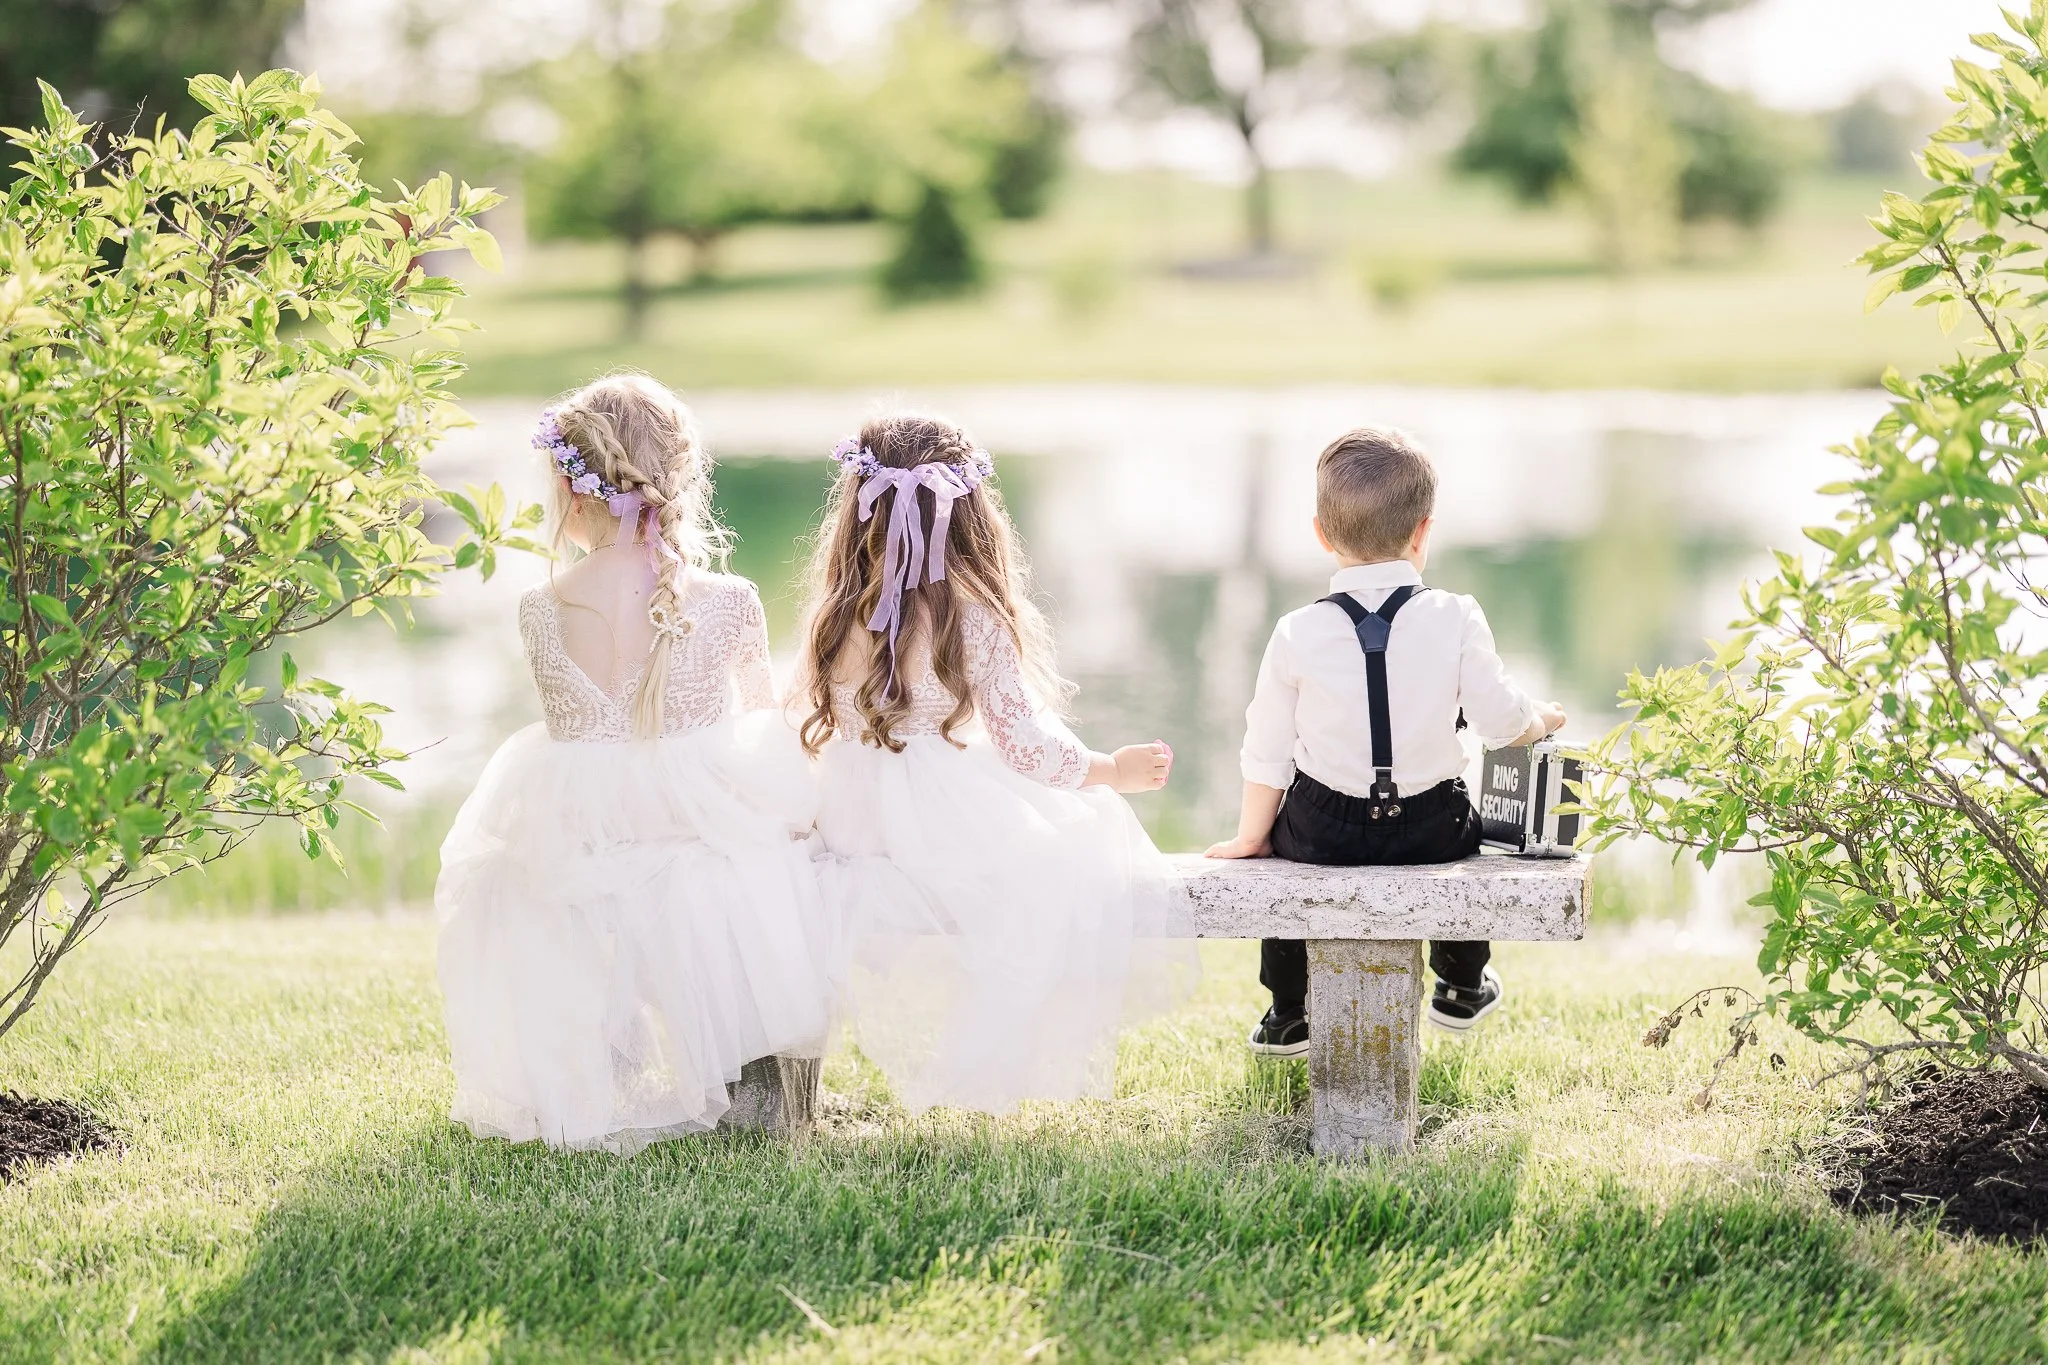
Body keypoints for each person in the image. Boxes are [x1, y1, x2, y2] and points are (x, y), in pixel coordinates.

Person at [435, 374, 833, 1153]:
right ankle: (757, 1078)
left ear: (567, 486)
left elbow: (590, 747)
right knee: (768, 848)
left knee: (565, 877)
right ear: (677, 479)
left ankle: (603, 1062)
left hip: (583, 828)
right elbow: (765, 724)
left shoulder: (540, 608)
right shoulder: (731, 599)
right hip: (693, 821)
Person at [800, 414, 1199, 1114]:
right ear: (969, 516)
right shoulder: (969, 610)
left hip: (847, 813)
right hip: (933, 819)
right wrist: (1110, 768)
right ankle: (983, 1071)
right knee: (1079, 833)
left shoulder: (835, 608)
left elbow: (801, 711)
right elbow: (1023, 742)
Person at [1206, 426, 1566, 1054]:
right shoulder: (1455, 615)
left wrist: (1252, 837)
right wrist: (1541, 721)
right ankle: (1461, 981)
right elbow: (1502, 723)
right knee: (1468, 835)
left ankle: (1289, 1006)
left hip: (1325, 829)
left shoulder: (1296, 632)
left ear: (1320, 534)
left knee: (1287, 850)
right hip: (1429, 825)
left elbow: (1266, 753)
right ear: (1424, 531)